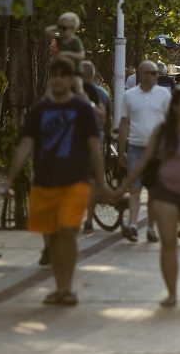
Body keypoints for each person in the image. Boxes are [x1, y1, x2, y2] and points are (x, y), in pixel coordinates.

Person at [0, 56, 108, 306]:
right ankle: (60, 288)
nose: (58, 79)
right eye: (54, 75)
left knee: (67, 232)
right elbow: (26, 146)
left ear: (71, 80)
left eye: (63, 75)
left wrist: (101, 184)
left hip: (75, 181)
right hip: (44, 183)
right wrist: (9, 181)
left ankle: (67, 289)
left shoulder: (83, 110)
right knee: (52, 238)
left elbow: (94, 148)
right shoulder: (40, 110)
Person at [118, 86, 180, 307]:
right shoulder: (162, 131)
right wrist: (123, 186)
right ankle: (171, 292)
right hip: (165, 192)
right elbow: (143, 161)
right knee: (168, 242)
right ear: (175, 107)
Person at [118, 60, 171, 243]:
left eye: (157, 73)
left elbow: (169, 122)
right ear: (141, 75)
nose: (156, 76)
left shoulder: (164, 94)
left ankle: (150, 227)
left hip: (157, 151)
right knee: (135, 188)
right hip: (135, 147)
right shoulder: (129, 95)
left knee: (154, 191)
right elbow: (124, 123)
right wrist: (121, 150)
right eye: (152, 73)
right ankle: (133, 225)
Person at [80, 61, 111, 234]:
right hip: (96, 141)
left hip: (74, 144)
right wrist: (108, 134)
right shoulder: (102, 93)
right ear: (93, 75)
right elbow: (108, 119)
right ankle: (89, 220)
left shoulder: (73, 92)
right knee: (92, 181)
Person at [44, 12, 85, 95]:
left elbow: (81, 55)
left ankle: (86, 104)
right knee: (49, 87)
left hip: (74, 71)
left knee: (78, 88)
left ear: (73, 29)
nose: (61, 30)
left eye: (64, 28)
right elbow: (47, 31)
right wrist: (59, 26)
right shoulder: (60, 39)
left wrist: (67, 54)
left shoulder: (75, 41)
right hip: (61, 71)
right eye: (60, 28)